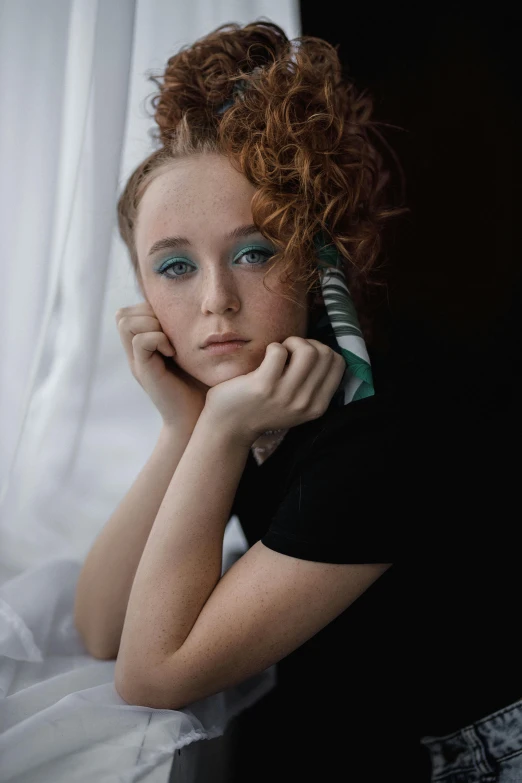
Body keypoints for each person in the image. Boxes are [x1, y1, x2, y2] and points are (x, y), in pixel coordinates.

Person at [74, 21, 522, 783]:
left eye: (254, 252)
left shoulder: (369, 438)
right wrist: (186, 425)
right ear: (143, 294)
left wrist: (213, 427)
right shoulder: (249, 409)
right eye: (175, 266)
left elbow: (153, 672)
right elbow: (100, 626)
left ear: (314, 266)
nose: (216, 300)